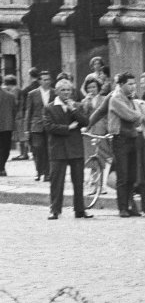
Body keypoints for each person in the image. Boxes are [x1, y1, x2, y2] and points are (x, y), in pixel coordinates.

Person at [43, 79, 91, 219]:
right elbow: (48, 127)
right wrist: (67, 128)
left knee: (78, 181)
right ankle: (55, 210)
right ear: (56, 92)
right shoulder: (49, 107)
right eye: (63, 90)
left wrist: (74, 110)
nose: (66, 93)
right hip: (58, 149)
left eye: (68, 90)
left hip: (75, 148)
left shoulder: (77, 105)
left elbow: (85, 122)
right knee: (56, 182)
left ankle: (80, 209)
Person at [101, 72, 145, 217]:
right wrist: (138, 114)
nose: (133, 87)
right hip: (120, 139)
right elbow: (131, 116)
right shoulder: (115, 99)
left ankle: (131, 205)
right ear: (121, 85)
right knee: (123, 175)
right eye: (130, 84)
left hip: (132, 137)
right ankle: (123, 207)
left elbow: (137, 120)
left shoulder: (130, 99)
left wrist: (137, 115)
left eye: (134, 84)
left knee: (132, 175)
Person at [25, 70, 54, 181]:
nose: (47, 82)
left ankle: (47, 173)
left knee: (49, 149)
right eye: (45, 79)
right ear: (40, 81)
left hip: (50, 126)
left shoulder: (54, 92)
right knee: (37, 149)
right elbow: (29, 111)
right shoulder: (32, 94)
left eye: (49, 79)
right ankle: (39, 171)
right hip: (36, 126)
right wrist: (26, 129)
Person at [0, 76, 18, 177]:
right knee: (5, 148)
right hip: (7, 126)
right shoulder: (10, 96)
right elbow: (14, 111)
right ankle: (1, 167)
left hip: (6, 124)